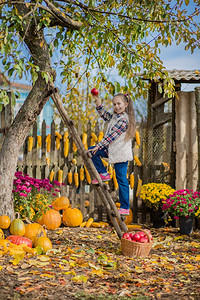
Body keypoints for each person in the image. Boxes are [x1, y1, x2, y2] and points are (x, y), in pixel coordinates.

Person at [88, 93, 135, 215]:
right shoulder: (115, 117)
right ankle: (103, 174)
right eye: (114, 104)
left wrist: (99, 145)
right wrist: (98, 101)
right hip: (113, 151)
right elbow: (105, 115)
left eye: (119, 104)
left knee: (121, 179)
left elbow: (110, 137)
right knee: (92, 151)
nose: (116, 106)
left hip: (121, 154)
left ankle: (125, 207)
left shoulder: (124, 120)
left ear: (126, 104)